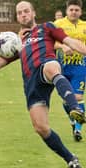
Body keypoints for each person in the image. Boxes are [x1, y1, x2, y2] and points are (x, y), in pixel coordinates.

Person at [0, 1, 86, 168]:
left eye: (26, 11)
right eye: (19, 13)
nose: (23, 15)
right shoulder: (16, 41)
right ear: (17, 17)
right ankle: (71, 159)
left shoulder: (47, 27)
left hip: (46, 66)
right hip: (32, 85)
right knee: (41, 127)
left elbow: (71, 42)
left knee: (51, 68)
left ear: (33, 13)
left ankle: (74, 107)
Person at [54, 0, 86, 142]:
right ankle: (73, 121)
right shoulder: (58, 25)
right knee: (67, 99)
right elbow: (50, 42)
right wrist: (62, 47)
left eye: (77, 10)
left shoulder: (85, 26)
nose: (74, 12)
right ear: (67, 10)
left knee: (78, 98)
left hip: (80, 66)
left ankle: (78, 130)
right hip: (62, 67)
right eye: (71, 9)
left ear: (81, 12)